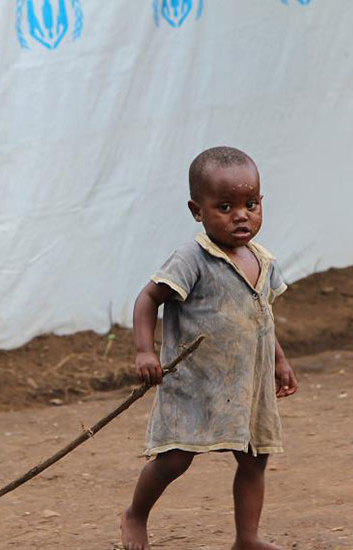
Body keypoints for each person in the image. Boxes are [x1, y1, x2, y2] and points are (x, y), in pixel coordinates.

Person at [119, 146, 298, 550]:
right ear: (196, 210)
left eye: (250, 203)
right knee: (175, 458)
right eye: (225, 206)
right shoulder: (191, 260)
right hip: (196, 384)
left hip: (247, 385)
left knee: (255, 459)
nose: (241, 215)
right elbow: (148, 299)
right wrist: (145, 351)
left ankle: (247, 538)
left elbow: (261, 318)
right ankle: (135, 514)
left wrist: (280, 362)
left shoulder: (262, 259)